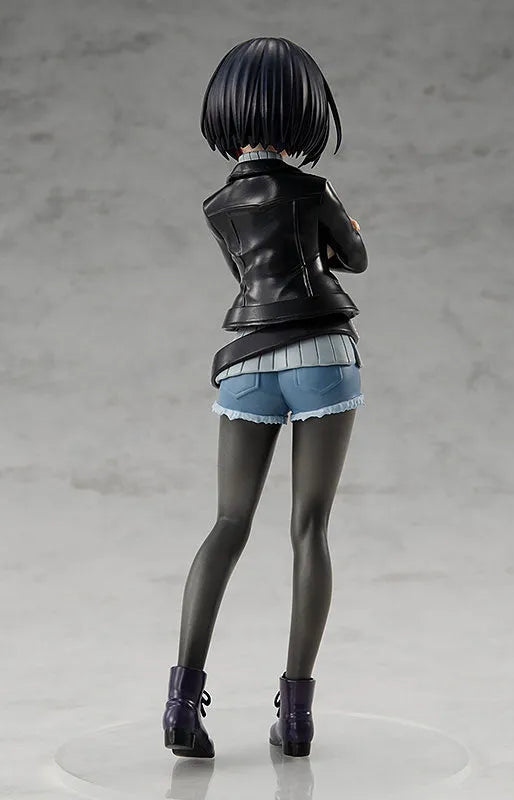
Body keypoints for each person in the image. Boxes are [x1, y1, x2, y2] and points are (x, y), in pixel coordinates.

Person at [162, 36, 368, 759]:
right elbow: (356, 258)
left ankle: (181, 705)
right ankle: (298, 714)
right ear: (303, 113)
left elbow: (248, 277)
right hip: (322, 354)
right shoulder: (316, 191)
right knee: (309, 528)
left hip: (247, 362)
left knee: (227, 523)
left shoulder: (219, 205)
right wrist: (335, 239)